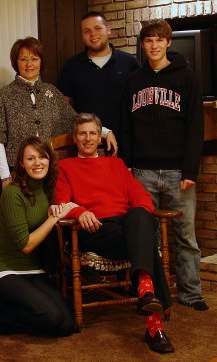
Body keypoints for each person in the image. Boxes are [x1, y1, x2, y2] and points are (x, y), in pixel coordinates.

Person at [54, 113, 174, 354]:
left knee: (141, 215)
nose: (87, 138)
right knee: (146, 241)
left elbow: (139, 196)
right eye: (82, 134)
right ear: (75, 139)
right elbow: (60, 202)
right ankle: (153, 319)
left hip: (126, 224)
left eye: (92, 133)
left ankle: (147, 297)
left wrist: (140, 217)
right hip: (94, 227)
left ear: (100, 137)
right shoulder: (65, 166)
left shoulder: (116, 164)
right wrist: (79, 211)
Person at [119, 19, 208, 312]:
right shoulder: (133, 81)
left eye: (159, 40)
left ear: (169, 43)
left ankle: (191, 292)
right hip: (142, 172)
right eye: (148, 41)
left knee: (186, 235)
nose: (154, 45)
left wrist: (190, 170)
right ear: (143, 45)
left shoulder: (187, 79)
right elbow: (126, 127)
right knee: (149, 237)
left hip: (176, 173)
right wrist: (128, 167)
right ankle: (154, 293)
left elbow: (196, 127)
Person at [0, 36, 117, 189]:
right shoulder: (4, 96)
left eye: (34, 58)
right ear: (16, 62)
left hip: (49, 172)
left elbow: (75, 119)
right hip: (17, 173)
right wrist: (5, 177)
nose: (29, 64)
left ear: (41, 62)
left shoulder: (51, 92)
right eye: (23, 59)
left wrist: (106, 132)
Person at [0, 136, 76, 336]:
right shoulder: (12, 193)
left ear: (49, 160)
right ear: (21, 163)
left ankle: (15, 313)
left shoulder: (48, 189)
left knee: (68, 324)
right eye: (30, 158)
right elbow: (26, 245)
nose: (37, 163)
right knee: (52, 318)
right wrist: (53, 219)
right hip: (5, 270)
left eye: (42, 157)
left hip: (34, 270)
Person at [57, 12, 140, 137]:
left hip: (125, 140)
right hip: (86, 143)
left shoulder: (130, 63)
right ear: (82, 36)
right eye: (87, 31)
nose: (93, 34)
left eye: (97, 28)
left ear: (108, 30)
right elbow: (64, 108)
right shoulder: (71, 66)